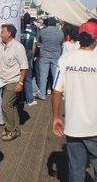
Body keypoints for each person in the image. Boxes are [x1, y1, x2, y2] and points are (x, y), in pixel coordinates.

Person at [52, 20, 97, 182]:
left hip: (73, 127)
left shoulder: (66, 59)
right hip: (95, 128)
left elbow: (56, 90)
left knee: (76, 172)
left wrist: (56, 116)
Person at [0, 24, 28, 141]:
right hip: (3, 80)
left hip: (14, 80)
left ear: (9, 34)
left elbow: (24, 67)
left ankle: (10, 130)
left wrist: (20, 83)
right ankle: (15, 129)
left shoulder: (18, 47)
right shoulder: (1, 46)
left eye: (2, 32)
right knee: (12, 106)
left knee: (5, 105)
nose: (0, 34)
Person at [37, 17, 64, 100]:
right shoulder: (60, 32)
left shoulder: (42, 31)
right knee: (56, 76)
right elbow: (61, 42)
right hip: (56, 55)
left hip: (44, 55)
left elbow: (39, 41)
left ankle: (42, 94)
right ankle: (58, 92)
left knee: (43, 76)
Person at [20, 13, 37, 106]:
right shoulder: (32, 31)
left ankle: (19, 99)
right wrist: (32, 55)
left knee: (18, 78)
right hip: (28, 56)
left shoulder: (18, 31)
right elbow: (34, 47)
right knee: (28, 79)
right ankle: (29, 99)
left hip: (18, 57)